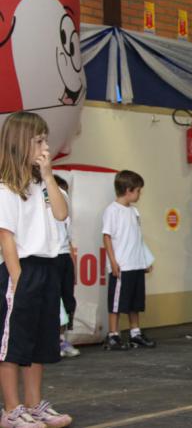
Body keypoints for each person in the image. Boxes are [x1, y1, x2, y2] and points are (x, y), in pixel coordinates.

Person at [0, 112, 73, 427]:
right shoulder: (6, 188)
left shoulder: (41, 183)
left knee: (40, 340)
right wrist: (18, 280)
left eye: (46, 140)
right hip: (21, 268)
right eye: (39, 141)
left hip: (48, 265)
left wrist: (48, 175)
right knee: (14, 343)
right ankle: (12, 409)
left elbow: (61, 213)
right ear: (21, 143)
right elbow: (6, 237)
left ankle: (33, 403)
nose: (46, 146)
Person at [102, 170, 155, 351]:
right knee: (116, 303)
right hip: (122, 265)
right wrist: (113, 262)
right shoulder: (112, 211)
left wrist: (145, 259)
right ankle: (113, 335)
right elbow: (107, 237)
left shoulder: (134, 212)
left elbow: (137, 238)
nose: (139, 194)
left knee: (135, 302)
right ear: (128, 190)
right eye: (138, 191)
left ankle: (135, 333)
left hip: (136, 264)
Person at [53, 175, 80, 358]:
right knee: (53, 302)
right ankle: (52, 341)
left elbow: (69, 241)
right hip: (51, 257)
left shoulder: (66, 216)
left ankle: (62, 339)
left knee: (67, 300)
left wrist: (73, 266)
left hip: (64, 258)